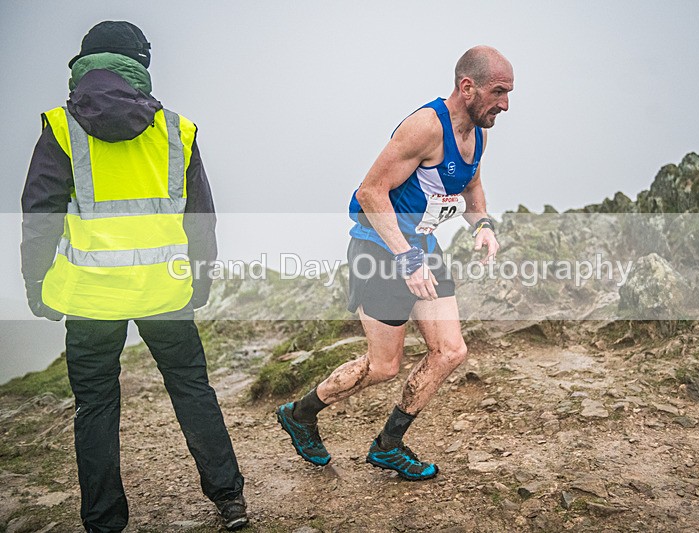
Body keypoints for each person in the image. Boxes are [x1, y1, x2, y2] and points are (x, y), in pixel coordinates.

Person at [20, 21, 248, 531]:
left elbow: (40, 217)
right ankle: (230, 499)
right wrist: (201, 277)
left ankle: (104, 521)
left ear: (83, 67)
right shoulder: (177, 129)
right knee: (191, 388)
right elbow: (200, 220)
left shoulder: (61, 127)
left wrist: (35, 281)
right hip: (165, 291)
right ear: (140, 67)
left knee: (95, 405)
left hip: (90, 297)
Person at [277, 45, 512, 480]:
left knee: (450, 351)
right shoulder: (424, 127)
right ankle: (300, 413)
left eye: (509, 93)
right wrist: (405, 257)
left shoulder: (478, 133)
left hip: (421, 247)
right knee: (384, 366)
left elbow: (472, 184)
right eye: (498, 92)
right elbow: (370, 192)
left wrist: (483, 225)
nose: (505, 104)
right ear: (467, 87)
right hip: (379, 251)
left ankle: (388, 445)